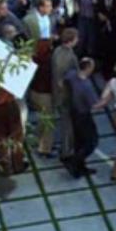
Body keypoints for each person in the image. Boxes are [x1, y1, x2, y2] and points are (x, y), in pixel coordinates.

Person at [66, 58, 101, 178]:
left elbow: (64, 80)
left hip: (73, 111)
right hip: (83, 115)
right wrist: (106, 99)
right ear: (88, 69)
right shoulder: (87, 85)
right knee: (91, 141)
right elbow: (95, 104)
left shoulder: (71, 75)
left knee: (79, 140)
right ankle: (75, 161)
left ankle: (79, 167)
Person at [52, 28, 79, 165]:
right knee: (67, 125)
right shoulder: (70, 57)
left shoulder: (57, 51)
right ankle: (66, 151)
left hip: (58, 93)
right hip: (66, 96)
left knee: (65, 123)